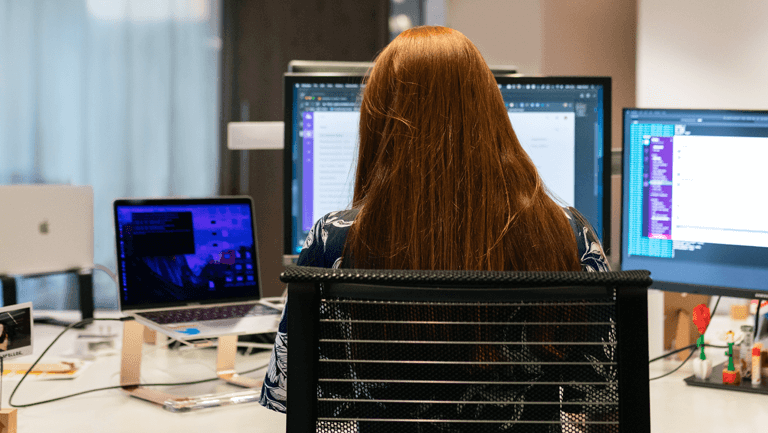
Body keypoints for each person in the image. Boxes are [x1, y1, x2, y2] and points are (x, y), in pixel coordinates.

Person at [260, 26, 612, 430]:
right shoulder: (568, 234)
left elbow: (292, 393)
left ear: (378, 123)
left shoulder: (332, 239)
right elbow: (606, 395)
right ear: (491, 112)